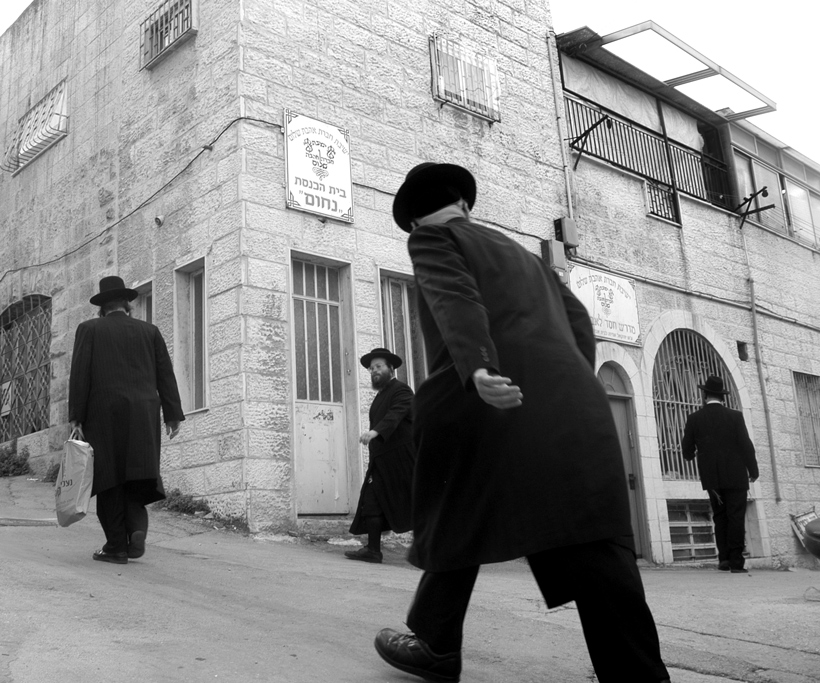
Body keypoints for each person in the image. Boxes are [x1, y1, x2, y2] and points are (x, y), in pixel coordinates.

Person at [373, 163, 670, 683]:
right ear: (464, 204)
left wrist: (480, 366)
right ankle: (638, 674)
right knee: (592, 546)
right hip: (575, 409)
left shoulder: (431, 240)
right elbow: (578, 321)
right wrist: (564, 386)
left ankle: (438, 646)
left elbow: (454, 298)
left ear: (417, 219)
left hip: (485, 410)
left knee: (453, 507)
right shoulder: (528, 258)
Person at [68, 276, 185, 565]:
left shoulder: (89, 329)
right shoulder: (150, 331)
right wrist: (172, 414)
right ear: (127, 304)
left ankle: (116, 546)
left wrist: (76, 417)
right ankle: (137, 529)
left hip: (103, 414)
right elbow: (165, 374)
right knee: (137, 473)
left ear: (102, 307)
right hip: (144, 413)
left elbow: (80, 375)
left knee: (109, 479)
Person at [682, 374, 758, 574]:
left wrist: (693, 455)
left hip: (712, 478)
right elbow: (746, 445)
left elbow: (686, 449)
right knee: (736, 517)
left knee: (720, 516)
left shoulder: (694, 418)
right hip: (736, 476)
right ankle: (736, 561)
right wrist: (753, 470)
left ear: (705, 395)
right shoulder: (735, 417)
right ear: (722, 396)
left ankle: (723, 559)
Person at [345, 348, 415, 564]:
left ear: (390, 369)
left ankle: (434, 549)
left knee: (417, 504)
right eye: (371, 368)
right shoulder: (380, 397)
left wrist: (375, 432)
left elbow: (395, 415)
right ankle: (373, 551)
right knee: (371, 502)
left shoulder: (402, 391)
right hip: (381, 460)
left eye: (379, 367)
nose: (374, 371)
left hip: (401, 460)